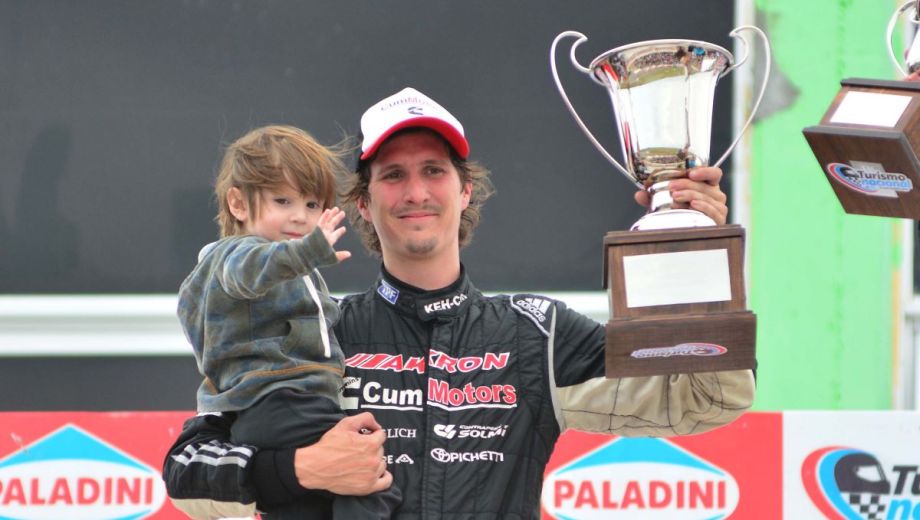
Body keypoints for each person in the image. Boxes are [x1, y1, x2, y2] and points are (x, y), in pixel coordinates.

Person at [163, 89, 754, 519]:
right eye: (393, 175)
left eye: (433, 171)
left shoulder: (536, 334)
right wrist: (299, 470)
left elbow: (704, 397)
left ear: (465, 190)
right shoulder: (316, 333)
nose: (416, 192)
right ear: (362, 204)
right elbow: (187, 472)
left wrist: (692, 249)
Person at [175, 125, 400, 519]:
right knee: (371, 477)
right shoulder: (238, 254)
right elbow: (250, 271)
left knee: (309, 505)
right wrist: (307, 253)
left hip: (279, 408)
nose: (300, 217)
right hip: (282, 401)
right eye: (282, 200)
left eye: (312, 205)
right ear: (238, 204)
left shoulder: (285, 263)